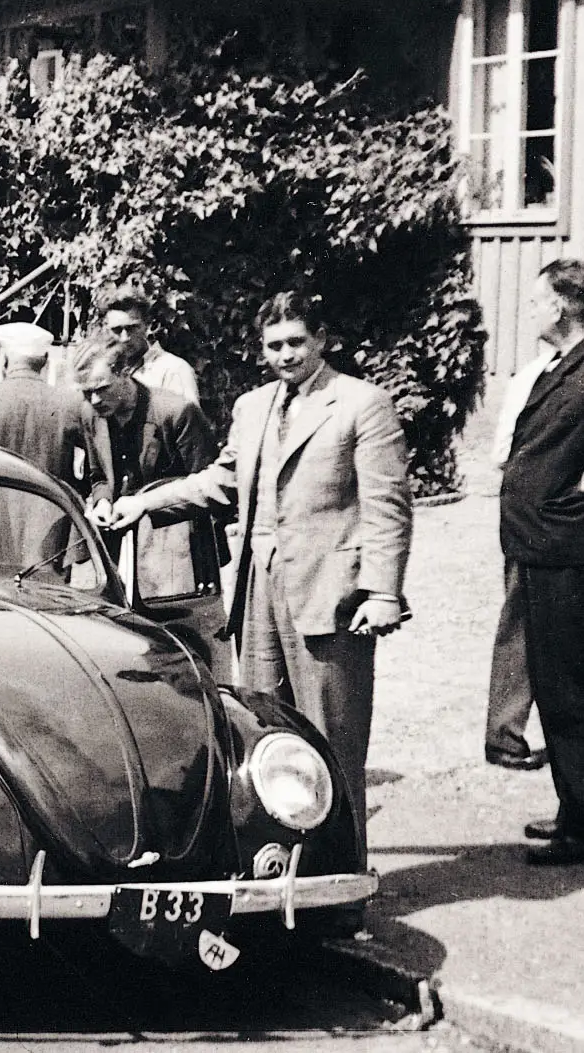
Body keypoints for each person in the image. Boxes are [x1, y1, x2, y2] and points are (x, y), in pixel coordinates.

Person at [105, 292, 411, 876]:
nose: (286, 355)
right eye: (274, 346)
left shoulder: (361, 404)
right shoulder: (255, 406)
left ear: (321, 340)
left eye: (297, 342)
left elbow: (387, 505)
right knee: (264, 733)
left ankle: (342, 886)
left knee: (333, 744)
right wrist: (143, 504)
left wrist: (383, 591)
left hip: (330, 596)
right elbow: (223, 479)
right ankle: (277, 878)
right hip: (258, 591)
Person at [500, 260, 584, 866]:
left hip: (565, 550)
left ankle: (580, 827)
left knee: (567, 689)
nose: (531, 311)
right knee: (556, 686)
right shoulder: (557, 369)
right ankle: (573, 807)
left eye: (537, 301)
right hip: (540, 546)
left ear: (560, 307)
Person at [76, 334, 226, 673]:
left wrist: (146, 506)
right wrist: (101, 501)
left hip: (180, 564)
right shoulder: (90, 415)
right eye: (86, 392)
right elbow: (98, 475)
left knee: (186, 661)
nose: (94, 400)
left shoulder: (177, 412)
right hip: (121, 557)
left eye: (102, 388)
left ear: (127, 371)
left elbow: (211, 489)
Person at [483, 341, 558, 772]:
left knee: (522, 622)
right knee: (524, 620)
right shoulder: (532, 377)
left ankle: (505, 732)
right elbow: (503, 453)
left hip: (534, 518)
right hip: (545, 524)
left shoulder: (533, 374)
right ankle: (506, 732)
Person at [0, 322, 90, 491]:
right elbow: (99, 464)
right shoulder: (72, 402)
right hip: (54, 510)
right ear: (45, 362)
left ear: (4, 360)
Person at [103, 288, 200, 404]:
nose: (125, 338)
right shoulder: (103, 370)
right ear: (106, 329)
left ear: (147, 324)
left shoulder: (174, 370)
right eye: (117, 330)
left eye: (132, 328)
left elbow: (188, 420)